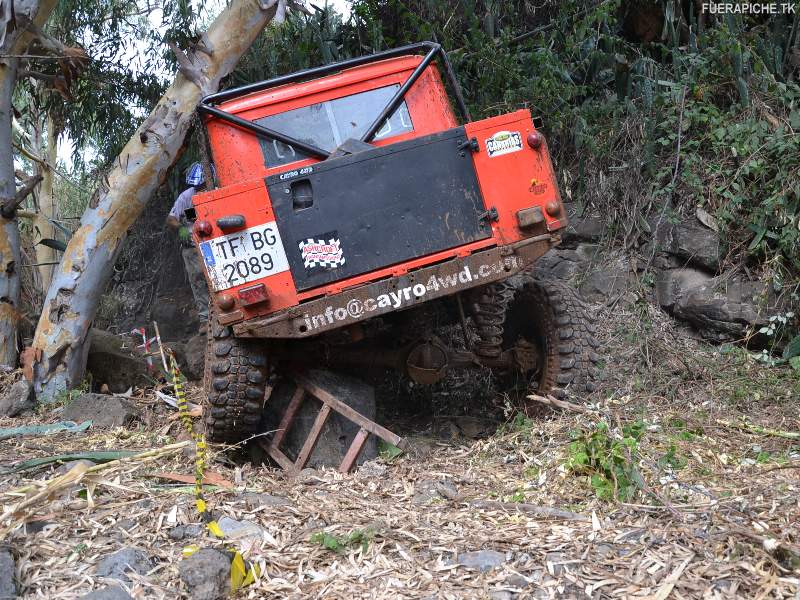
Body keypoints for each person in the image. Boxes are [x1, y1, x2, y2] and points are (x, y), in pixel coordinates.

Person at [166, 162, 210, 322]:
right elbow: (171, 219)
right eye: (198, 187)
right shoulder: (186, 197)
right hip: (193, 246)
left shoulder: (216, 189)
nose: (200, 190)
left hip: (215, 243)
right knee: (198, 280)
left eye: (203, 186)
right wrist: (181, 229)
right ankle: (205, 318)